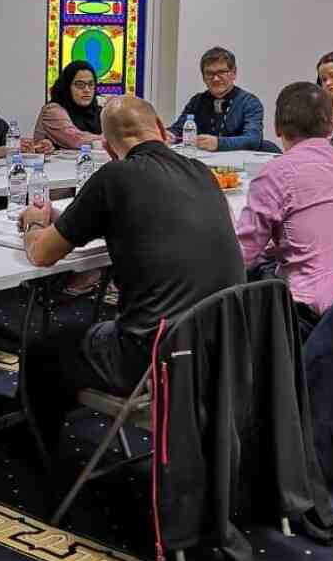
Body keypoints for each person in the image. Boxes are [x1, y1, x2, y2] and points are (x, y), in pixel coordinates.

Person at [18, 96, 246, 454]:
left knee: (42, 351)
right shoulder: (202, 173)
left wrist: (33, 223)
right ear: (161, 130)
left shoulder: (114, 176)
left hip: (152, 357)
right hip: (218, 350)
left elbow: (42, 254)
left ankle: (35, 455)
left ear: (108, 148)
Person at [236, 82, 333, 334]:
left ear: (277, 128)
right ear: (330, 127)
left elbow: (241, 255)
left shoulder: (276, 173)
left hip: (313, 318)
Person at [169, 47, 264, 151]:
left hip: (237, 164)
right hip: (200, 163)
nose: (216, 79)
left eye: (222, 72)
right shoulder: (197, 101)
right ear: (203, 77)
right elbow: (178, 130)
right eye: (209, 73)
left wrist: (218, 143)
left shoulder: (249, 102)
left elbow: (253, 139)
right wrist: (167, 135)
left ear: (234, 73)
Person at [34, 61, 105, 150]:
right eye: (80, 85)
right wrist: (113, 139)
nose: (87, 90)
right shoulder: (52, 110)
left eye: (91, 84)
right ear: (67, 87)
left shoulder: (98, 110)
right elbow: (76, 140)